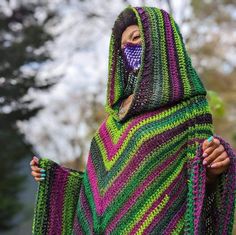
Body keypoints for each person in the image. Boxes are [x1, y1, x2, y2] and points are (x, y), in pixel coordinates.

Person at [30, 6, 236, 235]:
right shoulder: (112, 120)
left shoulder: (189, 109)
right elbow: (101, 196)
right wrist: (57, 180)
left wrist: (216, 167)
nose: (128, 48)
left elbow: (196, 184)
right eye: (123, 46)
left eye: (136, 38)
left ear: (160, 42)